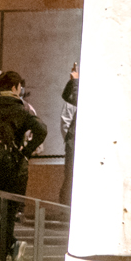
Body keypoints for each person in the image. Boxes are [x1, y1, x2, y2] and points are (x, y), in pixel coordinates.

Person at [0, 70, 47, 261]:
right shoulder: (23, 109)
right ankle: (9, 247)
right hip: (15, 168)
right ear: (15, 88)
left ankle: (3, 254)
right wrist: (25, 152)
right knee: (9, 216)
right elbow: (42, 130)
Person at [59, 62, 78, 206]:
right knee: (69, 177)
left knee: (72, 176)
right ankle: (65, 207)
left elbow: (77, 100)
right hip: (74, 142)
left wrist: (75, 82)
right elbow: (67, 97)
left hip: (77, 143)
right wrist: (72, 82)